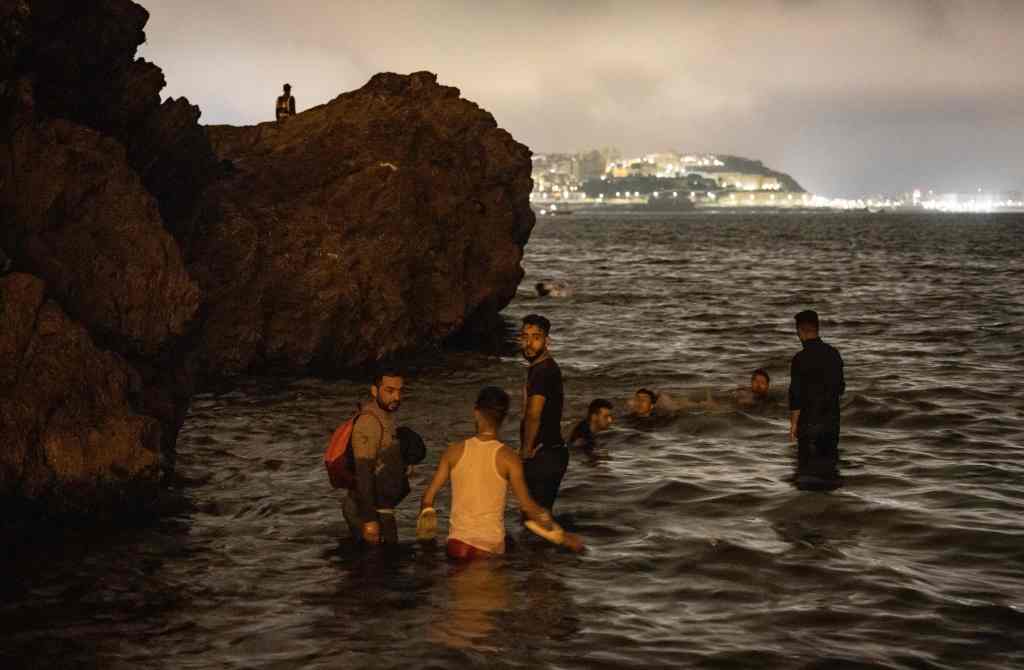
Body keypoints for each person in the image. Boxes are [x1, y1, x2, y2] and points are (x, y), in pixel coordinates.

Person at [420, 387, 581, 559]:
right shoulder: (509, 458)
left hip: (456, 545)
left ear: (476, 413)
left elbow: (427, 499)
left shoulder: (452, 452)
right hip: (487, 546)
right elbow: (528, 508)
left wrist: (426, 536)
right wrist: (561, 536)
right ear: (503, 418)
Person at [342, 368, 407, 545]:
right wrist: (370, 520)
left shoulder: (384, 418)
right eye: (390, 390)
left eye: (400, 391)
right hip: (369, 511)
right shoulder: (369, 422)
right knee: (381, 567)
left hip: (381, 508)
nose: (397, 397)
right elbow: (363, 472)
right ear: (374, 391)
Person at [519, 314, 568, 512]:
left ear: (547, 341)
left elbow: (533, 414)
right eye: (525, 337)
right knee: (538, 517)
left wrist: (525, 451)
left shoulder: (542, 372)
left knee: (535, 517)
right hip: (550, 452)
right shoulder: (541, 368)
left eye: (536, 337)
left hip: (544, 454)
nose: (529, 343)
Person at [788, 310, 845, 479]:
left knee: (806, 473)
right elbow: (841, 388)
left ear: (799, 331)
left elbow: (795, 396)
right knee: (830, 469)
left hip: (809, 424)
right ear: (817, 328)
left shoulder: (799, 359)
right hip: (832, 422)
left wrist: (793, 425)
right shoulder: (834, 354)